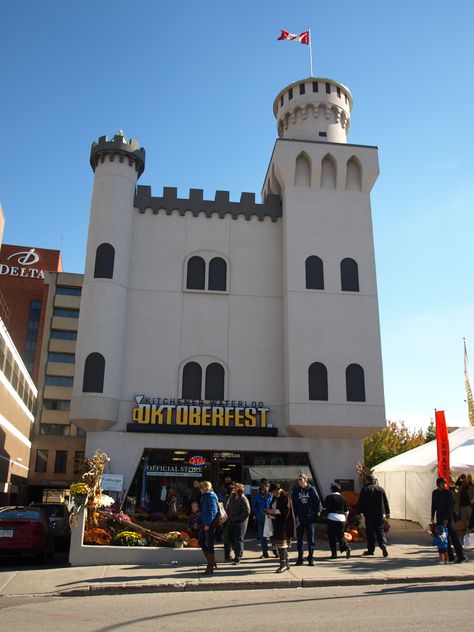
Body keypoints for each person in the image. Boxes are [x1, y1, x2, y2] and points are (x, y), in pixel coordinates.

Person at [431, 477, 467, 563]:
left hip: (448, 518)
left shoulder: (448, 493)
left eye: (444, 483)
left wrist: (446, 518)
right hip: (440, 518)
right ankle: (450, 556)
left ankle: (460, 555)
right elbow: (433, 505)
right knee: (443, 538)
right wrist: (432, 516)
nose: (443, 485)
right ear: (438, 484)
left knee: (453, 536)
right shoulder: (435, 493)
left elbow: (450, 507)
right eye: (442, 483)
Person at [291, 473, 322, 566]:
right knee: (299, 540)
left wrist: (317, 514)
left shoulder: (311, 490)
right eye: (298, 479)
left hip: (310, 518)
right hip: (299, 518)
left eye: (300, 479)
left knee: (310, 539)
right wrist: (294, 516)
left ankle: (310, 557)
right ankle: (300, 558)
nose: (298, 481)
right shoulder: (296, 490)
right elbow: (294, 504)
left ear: (305, 480)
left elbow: (317, 503)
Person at [265, 482, 295, 573]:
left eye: (273, 492)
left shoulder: (285, 497)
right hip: (277, 524)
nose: (272, 494)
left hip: (284, 525)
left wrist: (273, 511)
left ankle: (283, 565)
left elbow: (285, 511)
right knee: (282, 546)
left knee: (281, 546)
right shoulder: (276, 497)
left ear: (277, 490)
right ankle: (287, 563)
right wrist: (269, 513)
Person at [357, 474, 390, 557]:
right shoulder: (380, 489)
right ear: (374, 480)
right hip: (379, 513)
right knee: (380, 529)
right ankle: (383, 544)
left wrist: (359, 512)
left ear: (367, 480)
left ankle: (371, 550)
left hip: (368, 514)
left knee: (370, 531)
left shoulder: (365, 489)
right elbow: (385, 501)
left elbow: (361, 502)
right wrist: (387, 512)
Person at [323, 482, 351, 559]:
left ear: (331, 489)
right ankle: (346, 547)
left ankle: (334, 554)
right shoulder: (343, 498)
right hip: (341, 519)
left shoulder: (329, 497)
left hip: (331, 518)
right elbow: (347, 511)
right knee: (341, 535)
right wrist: (346, 519)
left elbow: (324, 508)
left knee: (332, 536)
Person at [197, 480, 219, 575]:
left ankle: (210, 566)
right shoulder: (205, 496)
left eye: (201, 488)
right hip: (205, 523)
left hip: (209, 524)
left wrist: (208, 524)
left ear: (206, 488)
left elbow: (213, 511)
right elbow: (204, 511)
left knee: (210, 545)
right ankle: (212, 562)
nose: (200, 490)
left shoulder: (211, 496)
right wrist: (200, 522)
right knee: (201, 541)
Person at [226, 483, 250, 564]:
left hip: (240, 522)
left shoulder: (243, 498)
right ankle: (237, 553)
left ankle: (238, 557)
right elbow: (228, 508)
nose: (234, 488)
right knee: (231, 538)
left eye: (236, 487)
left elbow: (247, 511)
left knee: (238, 539)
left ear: (239, 489)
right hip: (232, 520)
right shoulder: (232, 497)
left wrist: (238, 518)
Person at [251, 479, 273, 558]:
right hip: (261, 519)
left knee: (272, 536)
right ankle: (265, 553)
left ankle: (275, 551)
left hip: (270, 519)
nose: (262, 488)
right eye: (261, 487)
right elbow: (254, 506)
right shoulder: (258, 496)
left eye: (264, 487)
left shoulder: (272, 496)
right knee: (262, 537)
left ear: (268, 487)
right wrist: (257, 513)